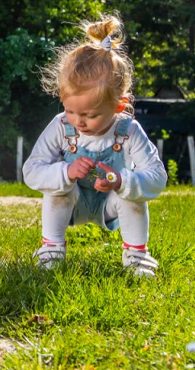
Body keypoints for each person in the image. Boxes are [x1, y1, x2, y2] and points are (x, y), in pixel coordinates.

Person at [22, 14, 167, 277]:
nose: (80, 122)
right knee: (57, 190)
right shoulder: (61, 126)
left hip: (109, 203)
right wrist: (66, 173)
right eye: (71, 111)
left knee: (133, 197)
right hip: (72, 201)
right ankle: (51, 250)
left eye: (91, 115)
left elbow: (157, 177)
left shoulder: (128, 131)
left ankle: (137, 256)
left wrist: (122, 181)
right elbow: (31, 170)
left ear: (118, 106)